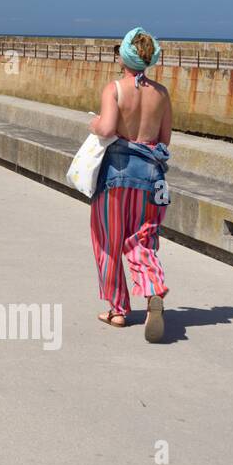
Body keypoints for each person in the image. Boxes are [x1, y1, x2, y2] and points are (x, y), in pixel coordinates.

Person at [88, 27, 172, 343]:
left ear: (123, 56)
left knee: (108, 241)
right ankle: (152, 290)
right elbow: (164, 139)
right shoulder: (161, 94)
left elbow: (108, 127)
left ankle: (118, 309)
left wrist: (94, 123)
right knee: (142, 239)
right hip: (150, 177)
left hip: (115, 175)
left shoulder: (115, 89)